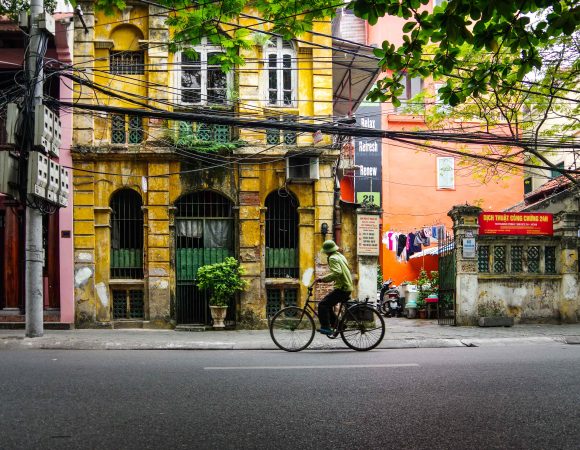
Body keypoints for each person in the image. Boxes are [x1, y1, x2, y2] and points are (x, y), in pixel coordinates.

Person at [315, 239, 353, 335]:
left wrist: (322, 279)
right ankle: (339, 325)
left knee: (322, 305)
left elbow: (337, 272)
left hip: (342, 288)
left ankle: (326, 327)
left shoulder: (332, 258)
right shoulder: (340, 256)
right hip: (346, 286)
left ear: (327, 251)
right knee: (328, 305)